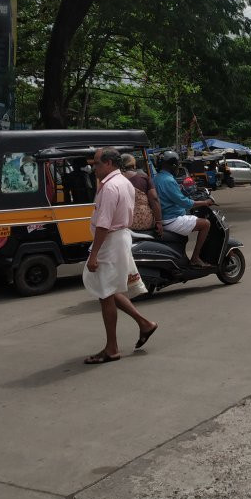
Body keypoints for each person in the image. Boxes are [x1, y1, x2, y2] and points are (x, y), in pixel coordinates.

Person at [82, 147, 157, 364]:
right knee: (109, 289)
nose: (93, 167)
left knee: (105, 293)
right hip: (119, 238)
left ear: (108, 163)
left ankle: (112, 348)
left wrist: (94, 254)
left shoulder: (110, 186)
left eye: (96, 163)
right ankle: (144, 323)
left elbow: (104, 224)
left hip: (110, 240)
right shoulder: (124, 182)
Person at [154, 150, 214, 267]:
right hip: (171, 219)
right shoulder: (169, 180)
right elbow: (184, 202)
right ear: (173, 165)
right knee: (205, 224)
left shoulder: (157, 178)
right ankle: (195, 258)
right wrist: (205, 202)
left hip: (164, 218)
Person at [121, 153, 163, 235]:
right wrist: (159, 221)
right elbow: (154, 199)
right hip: (144, 222)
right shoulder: (143, 177)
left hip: (123, 224)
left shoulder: (115, 180)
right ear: (133, 165)